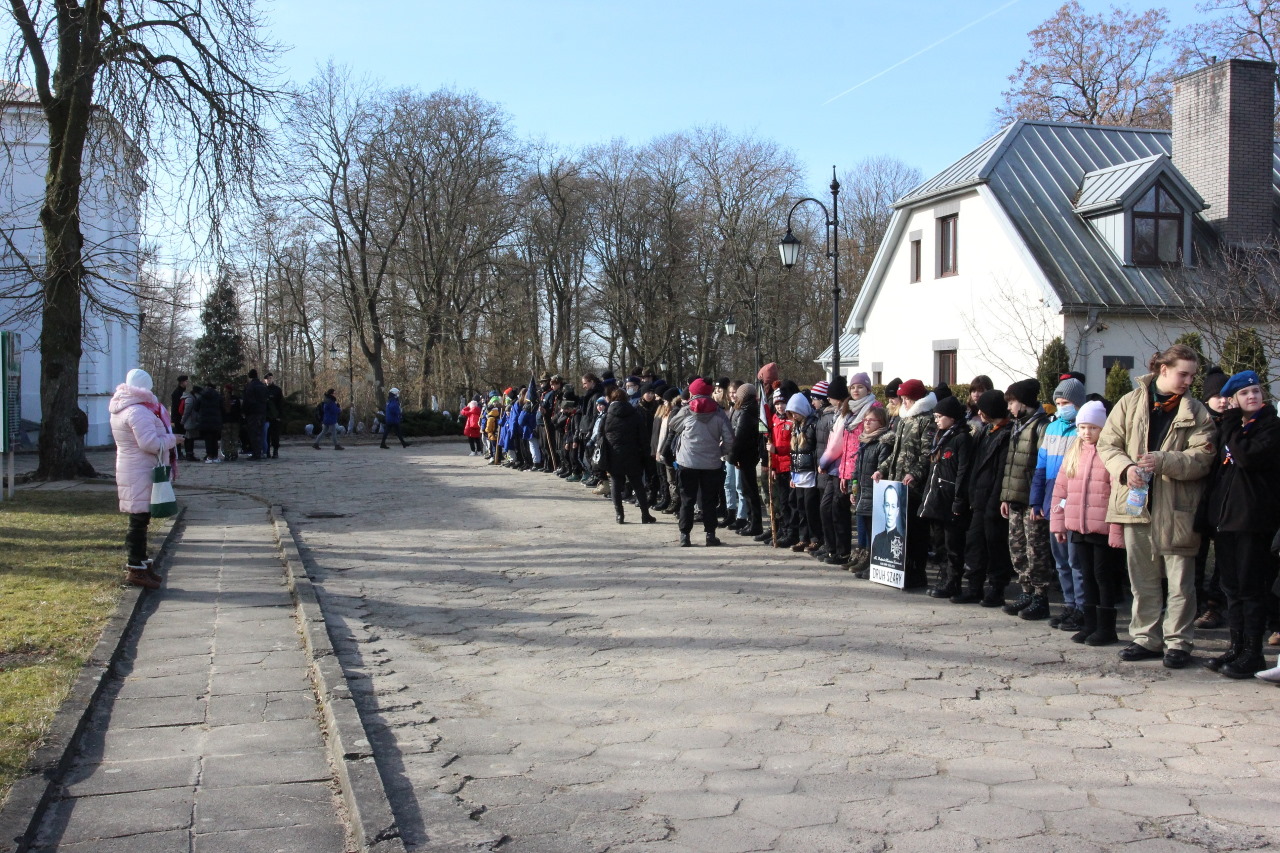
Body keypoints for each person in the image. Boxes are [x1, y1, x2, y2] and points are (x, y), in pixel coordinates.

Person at [1097, 344, 1215, 670]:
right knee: (1142, 578)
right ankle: (1146, 638)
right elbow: (1109, 443)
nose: (1189, 380)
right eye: (1183, 373)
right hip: (1135, 504)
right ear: (1163, 369)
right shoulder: (1130, 402)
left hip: (1178, 508)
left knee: (1180, 582)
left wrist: (1164, 461)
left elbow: (1203, 458)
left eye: (1192, 375)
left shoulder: (1196, 411)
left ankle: (1178, 642)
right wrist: (1125, 468)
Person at [1201, 370, 1280, 679]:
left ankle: (1253, 652)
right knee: (1231, 587)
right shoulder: (1235, 429)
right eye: (1245, 394)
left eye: (1256, 392)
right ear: (1234, 399)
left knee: (1250, 588)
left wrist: (1231, 423)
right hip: (1228, 522)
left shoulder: (1270, 427)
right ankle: (1236, 646)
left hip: (1253, 521)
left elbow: (1246, 458)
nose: (1252, 396)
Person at [1049, 400, 1126, 645]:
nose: (1086, 433)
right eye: (1082, 427)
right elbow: (1061, 491)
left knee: (1103, 576)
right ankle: (1089, 624)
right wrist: (1058, 525)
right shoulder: (1074, 453)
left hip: (1101, 528)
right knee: (1085, 574)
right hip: (1077, 526)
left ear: (1102, 429)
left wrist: (1117, 531)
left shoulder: (1110, 454)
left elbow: (1117, 494)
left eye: (1092, 428)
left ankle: (1106, 628)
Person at [110, 368, 178, 590]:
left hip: (135, 467)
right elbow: (150, 443)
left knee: (140, 519)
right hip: (140, 469)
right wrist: (172, 439)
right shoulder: (138, 411)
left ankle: (140, 565)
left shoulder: (125, 408)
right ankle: (136, 568)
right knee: (138, 521)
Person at [1031, 377, 1086, 630]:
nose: (1061, 407)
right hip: (1053, 501)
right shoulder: (1051, 429)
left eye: (1065, 402)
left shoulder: (1083, 430)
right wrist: (1036, 501)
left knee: (1076, 561)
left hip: (1074, 502)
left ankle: (1082, 608)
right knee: (1060, 560)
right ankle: (1069, 604)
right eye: (1058, 402)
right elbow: (1040, 469)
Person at [873, 379, 936, 588]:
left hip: (915, 486)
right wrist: (882, 468)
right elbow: (896, 453)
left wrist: (915, 474)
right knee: (900, 530)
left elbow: (927, 453)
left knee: (917, 531)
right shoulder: (904, 420)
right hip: (898, 483)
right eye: (904, 399)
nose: (904, 403)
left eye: (908, 399)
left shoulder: (927, 421)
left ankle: (917, 571)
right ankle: (900, 569)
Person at [999, 379, 1052, 620]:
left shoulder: (1040, 426)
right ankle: (1025, 590)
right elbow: (1010, 466)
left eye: (1012, 402)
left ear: (1024, 402)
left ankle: (1040, 594)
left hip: (1032, 500)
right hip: (1016, 498)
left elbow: (1042, 467)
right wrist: (1006, 497)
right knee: (1017, 548)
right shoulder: (1018, 426)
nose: (1009, 407)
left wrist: (1038, 500)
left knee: (1036, 549)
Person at [664, 377, 733, 547]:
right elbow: (730, 439)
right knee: (709, 500)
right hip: (711, 463)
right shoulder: (718, 412)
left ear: (693, 392)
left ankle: (684, 536)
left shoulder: (686, 411)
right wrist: (721, 452)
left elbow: (673, 426)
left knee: (687, 500)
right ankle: (710, 535)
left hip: (687, 462)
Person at [961, 390, 1014, 605]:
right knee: (975, 543)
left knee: (995, 545)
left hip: (993, 498)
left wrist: (996, 499)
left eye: (983, 409)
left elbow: (1002, 471)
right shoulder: (985, 431)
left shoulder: (1007, 433)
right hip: (978, 498)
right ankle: (974, 585)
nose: (979, 413)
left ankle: (996, 588)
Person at [922, 393, 973, 598]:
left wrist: (959, 499)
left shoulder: (961, 438)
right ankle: (944, 577)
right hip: (936, 497)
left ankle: (953, 580)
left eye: (939, 416)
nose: (936, 420)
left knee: (953, 543)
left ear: (952, 417)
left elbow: (962, 470)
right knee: (940, 541)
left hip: (951, 497)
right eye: (934, 416)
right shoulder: (940, 437)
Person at [1194, 366, 1231, 630]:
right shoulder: (1198, 422)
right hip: (1197, 498)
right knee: (1195, 555)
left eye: (1225, 395)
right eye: (1216, 395)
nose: (1222, 400)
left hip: (1224, 499)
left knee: (1223, 558)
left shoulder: (1234, 424)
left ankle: (1214, 606)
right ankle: (1193, 602)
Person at [603, 386, 656, 524]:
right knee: (638, 484)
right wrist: (646, 455)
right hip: (633, 454)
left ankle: (619, 515)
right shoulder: (635, 414)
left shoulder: (607, 415)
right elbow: (643, 437)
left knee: (615, 483)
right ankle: (645, 514)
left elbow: (601, 437)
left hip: (614, 454)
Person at [850, 406, 892, 577]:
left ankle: (875, 563)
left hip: (875, 493)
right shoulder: (864, 442)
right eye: (865, 420)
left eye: (871, 420)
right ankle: (866, 559)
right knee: (866, 528)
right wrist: (853, 489)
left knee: (875, 531)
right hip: (863, 492)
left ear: (880, 422)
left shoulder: (883, 443)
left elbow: (883, 468)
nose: (866, 423)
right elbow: (857, 469)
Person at [728, 382, 763, 537]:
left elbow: (740, 438)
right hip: (747, 455)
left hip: (745, 456)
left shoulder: (746, 413)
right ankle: (751, 521)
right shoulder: (749, 410)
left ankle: (755, 523)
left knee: (749, 491)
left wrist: (732, 457)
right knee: (748, 490)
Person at [870, 483, 907, 568]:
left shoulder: (901, 540)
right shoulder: (877, 539)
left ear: (897, 511)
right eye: (887, 505)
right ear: (883, 508)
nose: (890, 512)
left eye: (893, 506)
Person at [194, 382, 223, 463]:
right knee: (215, 439)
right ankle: (215, 456)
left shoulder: (201, 396)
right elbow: (222, 407)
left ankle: (209, 456)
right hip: (216, 421)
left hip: (205, 421)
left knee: (208, 439)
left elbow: (196, 407)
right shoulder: (218, 396)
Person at [242, 369, 268, 460]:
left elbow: (247, 401)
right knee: (261, 433)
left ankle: (256, 453)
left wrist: (244, 412)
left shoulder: (250, 386)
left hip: (253, 413)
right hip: (262, 412)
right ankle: (260, 452)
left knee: (254, 434)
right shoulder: (263, 386)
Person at [264, 372, 285, 458]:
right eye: (268, 378)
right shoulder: (263, 389)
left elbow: (280, 404)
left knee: (275, 435)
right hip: (266, 416)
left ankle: (275, 451)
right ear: (265, 380)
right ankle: (267, 451)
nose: (269, 380)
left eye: (271, 378)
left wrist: (280, 416)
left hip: (275, 416)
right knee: (266, 435)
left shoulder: (277, 390)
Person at [170, 375, 190, 459]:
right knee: (179, 435)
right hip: (178, 417)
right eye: (186, 381)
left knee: (181, 434)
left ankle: (180, 452)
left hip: (179, 417)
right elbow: (175, 407)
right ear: (182, 382)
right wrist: (174, 418)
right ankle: (178, 453)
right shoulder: (178, 393)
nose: (187, 383)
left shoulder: (182, 391)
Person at [220, 383, 242, 461]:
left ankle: (226, 454)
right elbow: (239, 410)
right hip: (235, 422)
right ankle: (234, 454)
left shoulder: (222, 399)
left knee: (225, 439)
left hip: (225, 422)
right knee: (234, 439)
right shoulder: (236, 399)